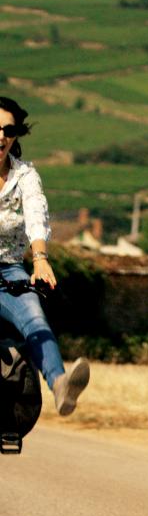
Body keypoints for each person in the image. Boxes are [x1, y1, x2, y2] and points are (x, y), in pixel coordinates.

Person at [0, 96, 89, 416]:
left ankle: (60, 384)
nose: (1, 136)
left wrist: (39, 257)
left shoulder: (25, 177)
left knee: (35, 319)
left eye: (8, 129)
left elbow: (36, 214)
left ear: (16, 134)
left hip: (9, 270)